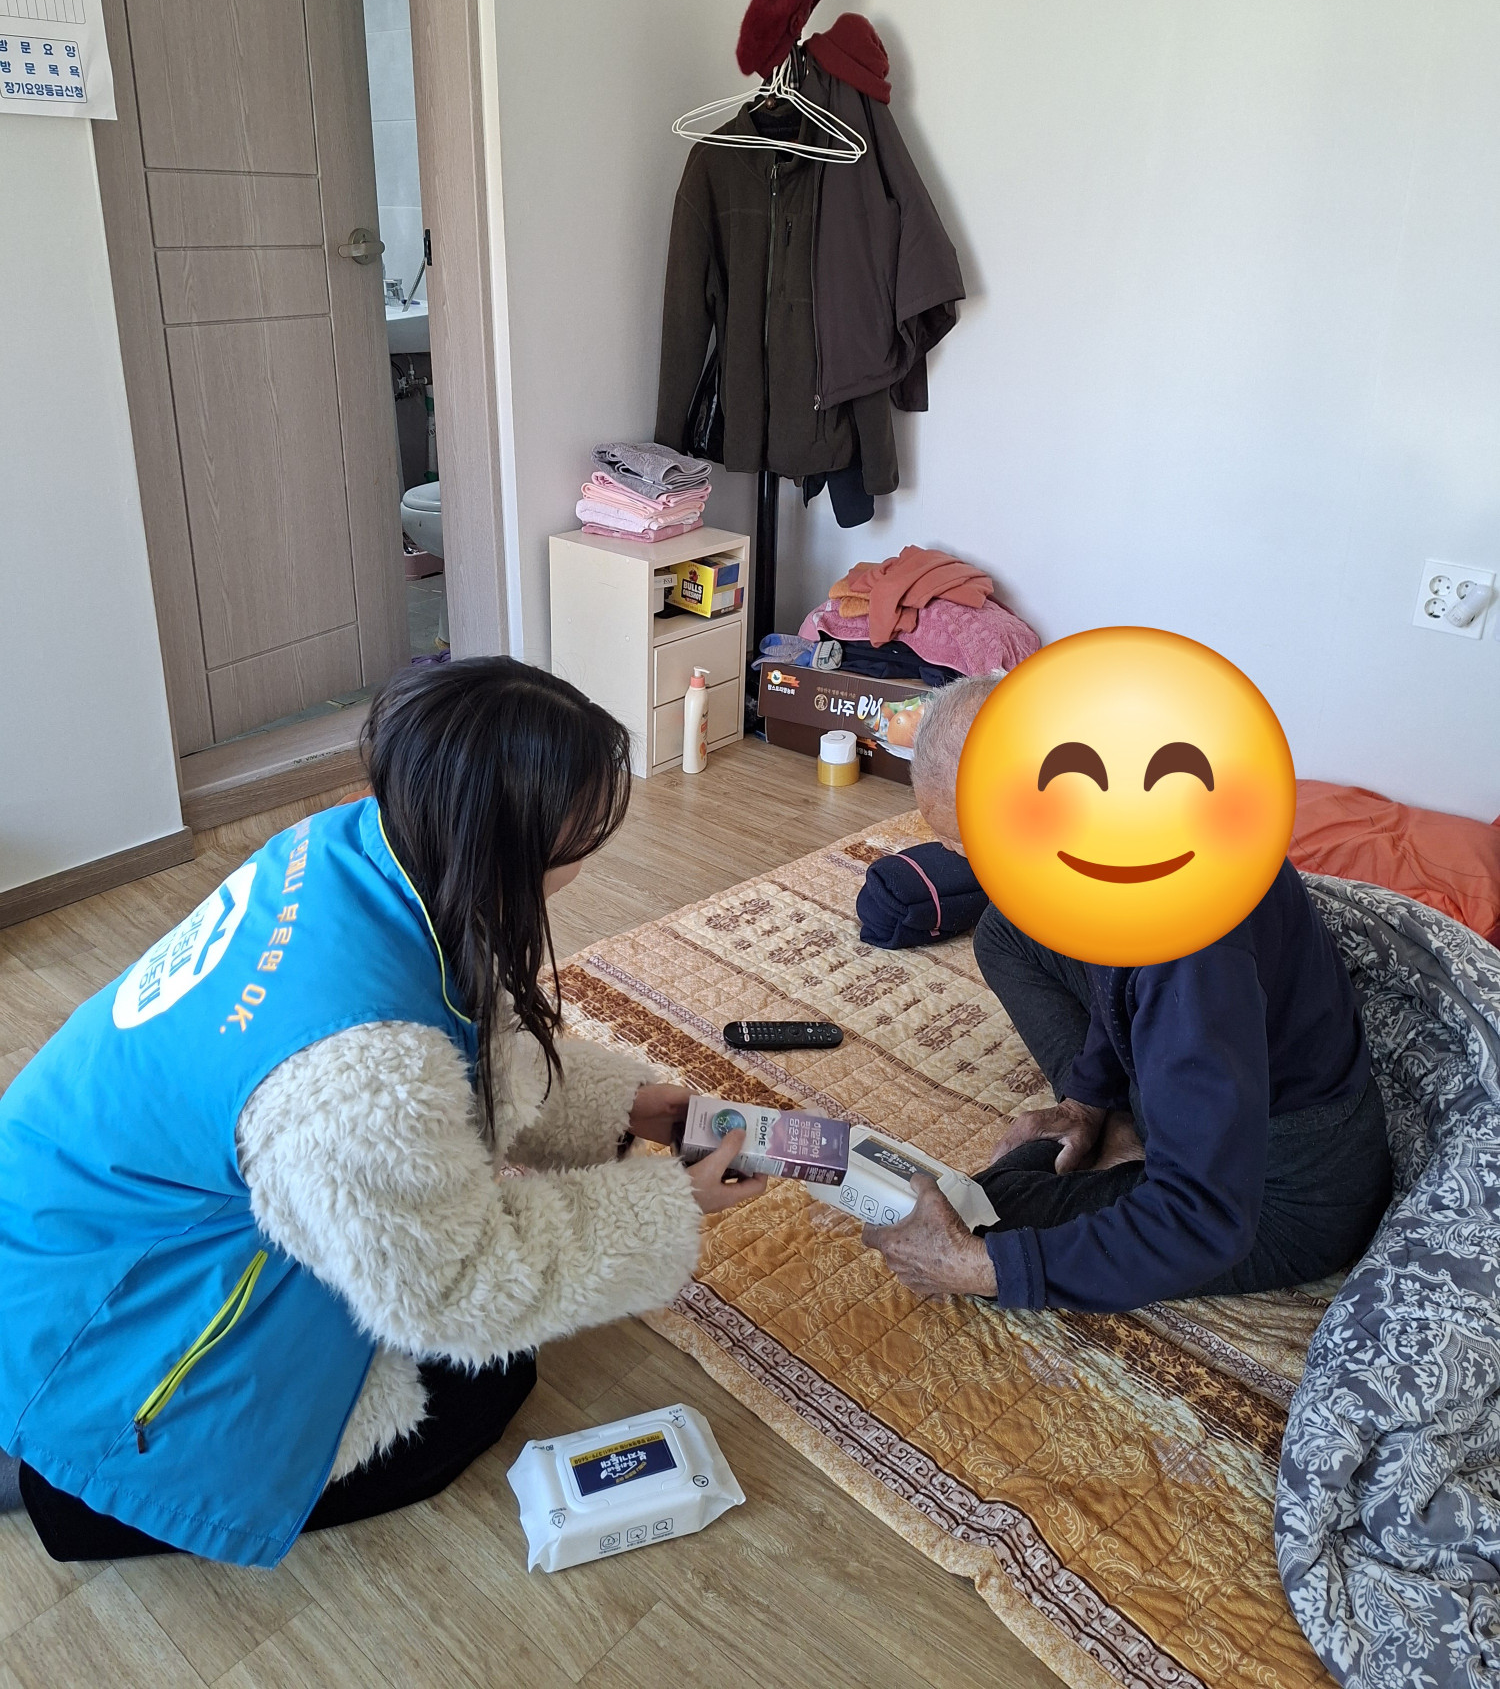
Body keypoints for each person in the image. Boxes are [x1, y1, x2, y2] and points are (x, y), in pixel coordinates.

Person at [0, 658, 762, 1566]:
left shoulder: (351, 844)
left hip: (66, 1210)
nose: (585, 862)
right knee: (483, 1387)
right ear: (502, 845)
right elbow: (454, 1288)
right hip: (99, 1322)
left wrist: (625, 1106)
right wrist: (670, 1205)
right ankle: (77, 1482)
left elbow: (450, 1026)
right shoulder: (355, 1077)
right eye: (576, 840)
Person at [863, 675, 1391, 1312]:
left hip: (1283, 1188)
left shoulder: (1185, 937)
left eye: (973, 849)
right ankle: (1117, 1119)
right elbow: (1113, 973)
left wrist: (979, 1267)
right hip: (1215, 1061)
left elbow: (1206, 1216)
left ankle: (1133, 1143)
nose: (972, 870)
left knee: (988, 1214)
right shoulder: (1124, 802)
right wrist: (1088, 1098)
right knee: (1005, 932)